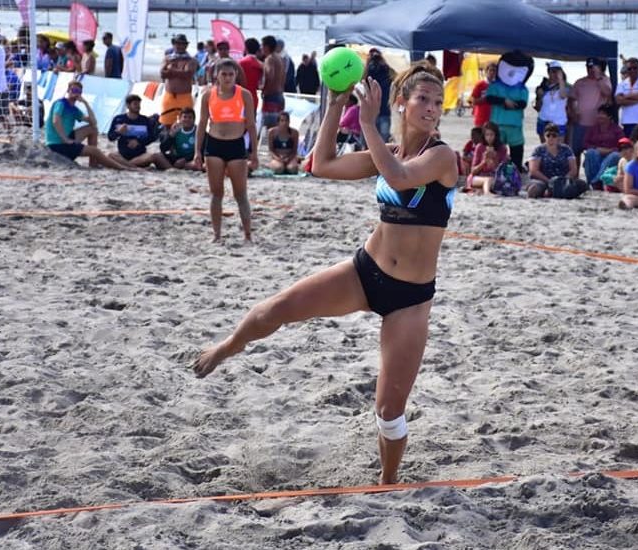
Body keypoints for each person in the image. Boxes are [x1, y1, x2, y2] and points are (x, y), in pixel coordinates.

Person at [191, 63, 458, 487]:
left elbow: (400, 177)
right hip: (364, 272)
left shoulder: (442, 156)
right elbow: (322, 164)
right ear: (401, 103)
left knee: (389, 411)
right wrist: (335, 106)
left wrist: (367, 123)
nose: (430, 108)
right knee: (278, 308)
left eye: (437, 102)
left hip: (410, 298)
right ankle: (229, 345)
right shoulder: (388, 151)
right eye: (422, 99)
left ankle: (388, 480)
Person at [194, 59, 258, 242]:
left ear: (236, 75)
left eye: (231, 74)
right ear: (217, 75)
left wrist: (254, 152)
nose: (228, 78)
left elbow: (251, 125)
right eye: (224, 74)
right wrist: (197, 151)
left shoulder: (244, 95)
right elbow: (202, 124)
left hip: (236, 144)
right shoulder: (208, 95)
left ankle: (248, 235)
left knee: (240, 193)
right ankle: (216, 235)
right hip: (214, 145)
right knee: (216, 193)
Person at [46, 80, 135, 170]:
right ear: (68, 90)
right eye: (74, 90)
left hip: (66, 139)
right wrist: (65, 139)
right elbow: (55, 121)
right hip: (57, 144)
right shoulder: (61, 103)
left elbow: (93, 122)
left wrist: (86, 103)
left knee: (93, 129)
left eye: (78, 91)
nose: (76, 93)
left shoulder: (74, 109)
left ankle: (93, 163)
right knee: (95, 151)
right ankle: (123, 168)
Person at [526, 123, 584, 199]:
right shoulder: (538, 150)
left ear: (558, 137)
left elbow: (573, 170)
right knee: (534, 189)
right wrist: (549, 182)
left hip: (562, 181)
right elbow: (533, 171)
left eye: (554, 135)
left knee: (578, 186)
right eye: (548, 135)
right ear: (544, 136)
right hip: (542, 180)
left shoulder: (566, 149)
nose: (551, 138)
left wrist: (562, 180)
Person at [107, 94, 162, 168]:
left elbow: (152, 137)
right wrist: (118, 132)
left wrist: (138, 141)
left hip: (140, 156)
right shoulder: (119, 119)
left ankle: (127, 166)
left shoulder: (145, 120)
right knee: (111, 155)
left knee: (152, 156)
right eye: (135, 104)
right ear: (128, 105)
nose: (138, 106)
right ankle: (133, 167)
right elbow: (110, 137)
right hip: (123, 154)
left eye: (139, 104)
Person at [573, 57, 613, 156]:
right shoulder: (580, 82)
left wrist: (598, 77)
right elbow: (571, 99)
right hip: (581, 122)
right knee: (576, 150)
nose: (590, 69)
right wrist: (573, 112)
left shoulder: (604, 80)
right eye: (588, 67)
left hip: (597, 124)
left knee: (594, 151)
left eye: (593, 67)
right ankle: (576, 171)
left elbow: (608, 92)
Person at [581, 104, 625, 186]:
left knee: (615, 155)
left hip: (610, 154)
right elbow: (585, 143)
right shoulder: (593, 129)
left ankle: (597, 180)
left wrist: (609, 151)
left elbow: (622, 145)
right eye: (599, 113)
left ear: (610, 117)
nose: (600, 116)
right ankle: (595, 182)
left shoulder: (617, 130)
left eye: (603, 114)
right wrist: (596, 148)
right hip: (596, 153)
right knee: (591, 153)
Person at [160, 34, 198, 127]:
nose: (180, 46)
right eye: (178, 44)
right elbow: (162, 73)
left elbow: (188, 74)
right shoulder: (168, 58)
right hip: (169, 96)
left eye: (182, 44)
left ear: (186, 46)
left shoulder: (191, 60)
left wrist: (171, 70)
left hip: (185, 96)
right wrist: (181, 71)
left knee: (186, 124)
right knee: (167, 123)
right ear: (174, 44)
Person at [465, 121, 508, 194]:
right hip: (478, 177)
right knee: (488, 180)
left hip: (496, 178)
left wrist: (495, 159)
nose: (489, 138)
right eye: (487, 135)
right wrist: (483, 161)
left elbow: (503, 171)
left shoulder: (502, 148)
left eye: (491, 135)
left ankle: (484, 190)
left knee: (491, 180)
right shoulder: (480, 147)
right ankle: (487, 192)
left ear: (496, 135)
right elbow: (473, 171)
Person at [535, 61, 572, 144]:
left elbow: (563, 95)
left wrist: (561, 80)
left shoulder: (567, 86)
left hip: (559, 121)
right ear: (548, 72)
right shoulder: (543, 86)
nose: (555, 74)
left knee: (559, 147)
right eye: (553, 72)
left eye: (557, 72)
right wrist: (539, 96)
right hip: (544, 119)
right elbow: (538, 106)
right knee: (545, 147)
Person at [366, 48, 394, 142]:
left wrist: (367, 62)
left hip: (373, 110)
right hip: (384, 109)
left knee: (371, 139)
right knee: (384, 138)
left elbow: (362, 79)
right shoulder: (386, 68)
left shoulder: (369, 69)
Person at [260, 35, 285, 129]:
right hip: (280, 95)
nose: (261, 48)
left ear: (266, 46)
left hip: (271, 96)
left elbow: (270, 75)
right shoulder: (279, 58)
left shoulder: (269, 59)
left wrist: (264, 89)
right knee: (278, 128)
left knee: (268, 129)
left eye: (262, 45)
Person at [239, 38, 264, 114]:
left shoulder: (241, 63)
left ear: (245, 48)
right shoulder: (261, 65)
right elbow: (261, 84)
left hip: (241, 98)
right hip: (253, 98)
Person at [469, 62, 495, 129]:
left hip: (493, 119)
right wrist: (486, 98)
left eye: (494, 71)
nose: (492, 72)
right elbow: (473, 101)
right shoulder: (480, 85)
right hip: (481, 118)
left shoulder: (497, 86)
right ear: (486, 71)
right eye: (490, 70)